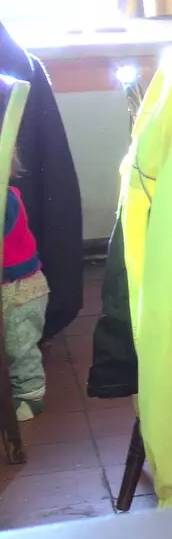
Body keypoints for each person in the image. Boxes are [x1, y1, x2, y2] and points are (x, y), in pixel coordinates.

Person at [4, 175, 48, 422]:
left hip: (21, 291)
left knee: (19, 345)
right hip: (10, 286)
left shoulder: (6, 198)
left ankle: (31, 396)